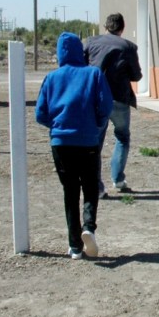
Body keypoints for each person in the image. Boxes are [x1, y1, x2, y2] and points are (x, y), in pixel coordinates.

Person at [36, 32, 113, 259]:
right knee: (90, 186)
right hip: (88, 140)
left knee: (70, 191)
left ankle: (75, 246)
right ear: (81, 51)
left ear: (60, 52)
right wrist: (95, 124)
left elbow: (40, 113)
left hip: (61, 142)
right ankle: (88, 227)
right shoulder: (93, 74)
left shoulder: (52, 78)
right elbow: (105, 106)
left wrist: (57, 125)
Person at [85, 13, 143, 197]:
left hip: (96, 99)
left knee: (95, 143)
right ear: (122, 28)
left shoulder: (90, 43)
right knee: (122, 137)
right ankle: (118, 178)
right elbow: (136, 75)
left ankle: (97, 187)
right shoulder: (128, 47)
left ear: (105, 26)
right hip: (119, 98)